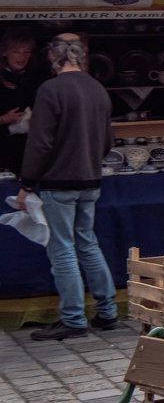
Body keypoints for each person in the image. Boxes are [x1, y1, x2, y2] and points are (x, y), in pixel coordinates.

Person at [18, 33, 119, 340]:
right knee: (87, 243)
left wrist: (26, 184)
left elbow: (40, 143)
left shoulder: (50, 90)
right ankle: (108, 312)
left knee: (62, 250)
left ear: (53, 58)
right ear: (80, 57)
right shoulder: (98, 88)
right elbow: (107, 143)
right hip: (90, 179)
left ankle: (74, 320)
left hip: (58, 182)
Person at [0, 28, 39, 174]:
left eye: (26, 52)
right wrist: (4, 120)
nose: (21, 57)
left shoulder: (36, 79)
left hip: (29, 155)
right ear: (4, 52)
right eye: (16, 52)